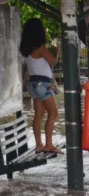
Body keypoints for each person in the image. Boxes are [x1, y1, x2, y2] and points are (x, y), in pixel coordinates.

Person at [19, 18, 63, 154]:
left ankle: (39, 145)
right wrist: (57, 50)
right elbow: (53, 61)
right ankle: (49, 145)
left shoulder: (25, 49)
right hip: (42, 84)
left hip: (33, 83)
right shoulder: (40, 47)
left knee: (39, 114)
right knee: (53, 112)